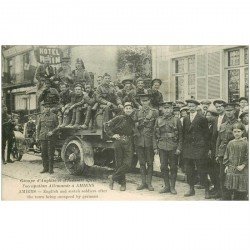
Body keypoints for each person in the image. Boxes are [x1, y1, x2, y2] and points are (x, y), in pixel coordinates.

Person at [182, 99, 210, 198]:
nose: (191, 108)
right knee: (189, 170)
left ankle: (207, 189)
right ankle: (191, 189)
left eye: (193, 106)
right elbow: (184, 133)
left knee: (202, 169)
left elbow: (206, 135)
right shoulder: (185, 118)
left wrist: (206, 149)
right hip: (189, 148)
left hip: (199, 148)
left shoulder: (202, 118)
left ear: (196, 107)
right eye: (189, 106)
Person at [105, 102, 136, 191]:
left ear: (132, 110)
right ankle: (123, 183)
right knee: (119, 163)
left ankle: (113, 178)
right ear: (124, 109)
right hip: (119, 142)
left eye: (130, 108)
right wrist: (112, 135)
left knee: (128, 164)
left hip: (129, 142)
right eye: (126, 108)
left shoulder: (132, 119)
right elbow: (107, 125)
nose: (128, 110)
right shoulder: (119, 118)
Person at [153, 101, 183, 194]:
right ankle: (166, 186)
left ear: (171, 110)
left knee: (173, 167)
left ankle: (172, 187)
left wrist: (179, 148)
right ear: (162, 109)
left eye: (169, 108)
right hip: (162, 146)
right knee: (163, 166)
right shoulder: (158, 120)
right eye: (165, 108)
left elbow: (181, 135)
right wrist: (155, 147)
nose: (167, 110)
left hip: (173, 146)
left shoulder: (176, 120)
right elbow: (154, 135)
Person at [134, 94, 159, 191]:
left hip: (150, 141)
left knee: (150, 163)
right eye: (143, 101)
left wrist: (155, 142)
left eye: (146, 100)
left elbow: (157, 127)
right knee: (141, 163)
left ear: (149, 101)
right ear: (140, 102)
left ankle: (149, 183)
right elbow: (134, 127)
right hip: (140, 141)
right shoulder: (137, 112)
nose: (145, 102)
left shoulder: (154, 112)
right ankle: (143, 182)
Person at [215, 103, 239, 200]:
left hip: (234, 154)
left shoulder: (238, 124)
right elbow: (218, 140)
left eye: (230, 110)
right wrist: (217, 154)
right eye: (227, 111)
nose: (229, 113)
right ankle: (225, 197)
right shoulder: (223, 125)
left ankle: (236, 197)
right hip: (222, 153)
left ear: (234, 111)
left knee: (234, 175)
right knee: (222, 175)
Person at [223, 123, 248, 200]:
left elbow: (248, 156)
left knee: (240, 191)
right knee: (230, 189)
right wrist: (227, 166)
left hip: (242, 170)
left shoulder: (246, 143)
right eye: (235, 131)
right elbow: (227, 154)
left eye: (239, 131)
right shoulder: (230, 143)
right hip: (231, 169)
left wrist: (243, 165)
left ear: (243, 132)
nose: (236, 133)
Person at [36, 102, 59, 174]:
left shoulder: (54, 116)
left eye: (48, 107)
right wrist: (37, 137)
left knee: (51, 153)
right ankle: (45, 168)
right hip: (43, 137)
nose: (47, 108)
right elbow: (38, 128)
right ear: (43, 108)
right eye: (45, 107)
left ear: (50, 108)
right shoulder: (41, 116)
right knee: (43, 153)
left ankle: (50, 169)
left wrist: (52, 132)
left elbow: (57, 126)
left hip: (51, 137)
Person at [205, 108, 219, 198]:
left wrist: (210, 149)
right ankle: (214, 187)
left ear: (214, 117)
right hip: (207, 151)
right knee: (210, 170)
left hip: (213, 151)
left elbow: (214, 139)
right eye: (206, 115)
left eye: (209, 115)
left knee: (215, 170)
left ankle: (217, 189)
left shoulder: (215, 125)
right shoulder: (208, 125)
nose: (207, 117)